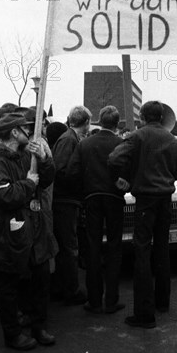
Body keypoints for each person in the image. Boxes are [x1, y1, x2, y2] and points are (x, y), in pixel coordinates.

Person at [109, 101, 177, 329]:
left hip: (145, 198)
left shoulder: (137, 136)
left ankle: (144, 313)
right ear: (161, 117)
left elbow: (114, 158)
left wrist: (124, 177)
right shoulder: (171, 138)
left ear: (142, 116)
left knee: (142, 250)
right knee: (162, 248)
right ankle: (163, 301)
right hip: (165, 198)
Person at [0, 113, 56, 350]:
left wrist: (45, 160)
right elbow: (2, 195)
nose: (30, 132)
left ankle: (39, 326)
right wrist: (28, 184)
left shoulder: (29, 156)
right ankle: (13, 334)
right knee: (9, 285)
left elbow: (45, 181)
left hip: (36, 227)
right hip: (13, 231)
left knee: (40, 281)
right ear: (15, 132)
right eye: (25, 129)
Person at [67, 106, 125, 315]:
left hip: (91, 198)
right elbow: (128, 169)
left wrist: (85, 190)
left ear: (99, 121)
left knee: (92, 247)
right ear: (117, 123)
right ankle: (111, 299)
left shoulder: (85, 144)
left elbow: (73, 172)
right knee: (114, 247)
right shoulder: (121, 143)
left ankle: (94, 300)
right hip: (114, 198)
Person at [51, 106, 91, 305]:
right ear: (85, 123)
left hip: (66, 199)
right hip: (65, 200)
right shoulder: (69, 140)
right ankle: (70, 290)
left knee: (67, 246)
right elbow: (61, 170)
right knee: (69, 247)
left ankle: (62, 287)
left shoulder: (69, 138)